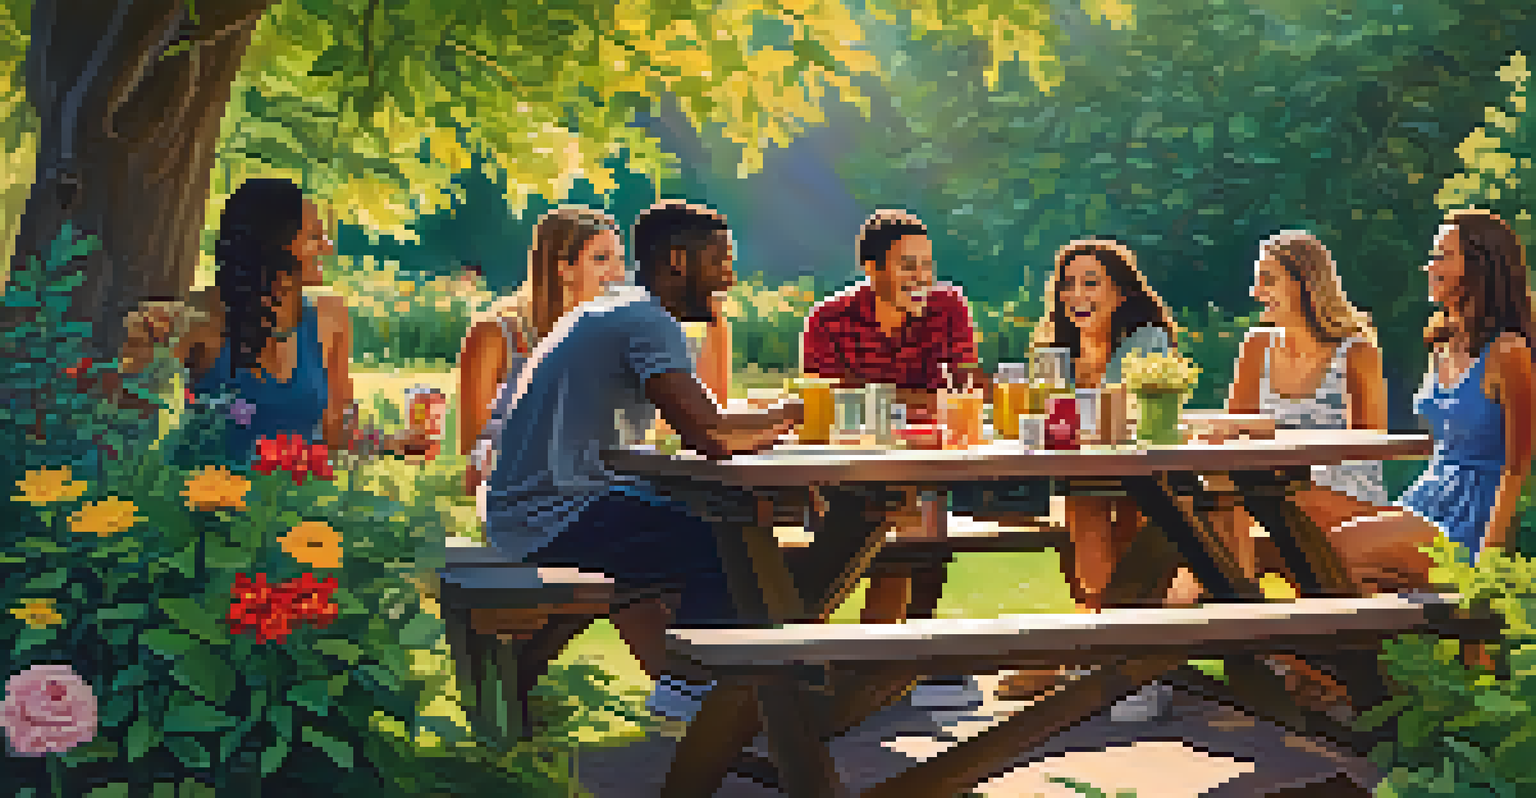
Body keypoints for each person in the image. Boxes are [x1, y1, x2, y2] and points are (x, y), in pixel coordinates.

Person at [481, 200, 804, 724]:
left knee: (721, 523)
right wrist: (792, 414)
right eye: (720, 261)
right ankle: (692, 687)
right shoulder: (646, 321)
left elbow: (706, 422)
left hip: (536, 505)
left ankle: (725, 683)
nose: (730, 275)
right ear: (677, 261)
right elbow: (711, 436)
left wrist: (767, 426)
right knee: (725, 535)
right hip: (552, 513)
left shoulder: (620, 310)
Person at [800, 209, 992, 714]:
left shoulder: (948, 306)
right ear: (871, 267)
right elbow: (831, 405)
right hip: (845, 470)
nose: (922, 277)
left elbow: (962, 390)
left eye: (927, 264)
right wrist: (916, 398)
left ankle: (893, 660)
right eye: (908, 265)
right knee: (872, 520)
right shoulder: (829, 321)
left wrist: (878, 396)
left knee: (925, 516)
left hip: (923, 463)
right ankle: (819, 658)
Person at [118, 178, 428, 464]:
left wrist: (391, 441)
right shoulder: (201, 319)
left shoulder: (329, 317)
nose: (327, 247)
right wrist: (139, 350)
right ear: (273, 245)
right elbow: (128, 427)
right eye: (314, 236)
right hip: (208, 504)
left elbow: (337, 431)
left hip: (289, 508)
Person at [1330, 209, 1534, 587]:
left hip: (1468, 524)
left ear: (1479, 268)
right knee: (1306, 533)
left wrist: (1486, 567)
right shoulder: (1442, 344)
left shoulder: (1508, 353)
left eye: (1443, 255)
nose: (1429, 266)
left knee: (1337, 547)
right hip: (1424, 500)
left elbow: (1515, 469)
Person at [1212, 231, 1388, 589]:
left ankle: (1236, 618)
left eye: (1268, 280)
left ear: (1304, 283)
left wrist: (1267, 436)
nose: (1256, 293)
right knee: (1206, 503)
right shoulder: (1256, 346)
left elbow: (1369, 447)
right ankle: (1238, 615)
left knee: (1226, 505)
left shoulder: (1355, 351)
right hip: (1270, 489)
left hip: (1347, 495)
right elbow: (1234, 436)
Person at [1031, 238, 1178, 612]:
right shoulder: (1056, 352)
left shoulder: (1145, 341)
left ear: (1122, 294)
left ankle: (1110, 627)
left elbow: (1130, 418)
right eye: (1068, 284)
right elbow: (1043, 421)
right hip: (1082, 477)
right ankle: (1108, 627)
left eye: (1091, 282)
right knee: (1084, 498)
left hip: (1144, 475)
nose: (1075, 294)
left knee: (1130, 507)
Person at [459, 207, 626, 495]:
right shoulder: (496, 334)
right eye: (601, 259)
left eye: (620, 260)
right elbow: (474, 453)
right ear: (564, 269)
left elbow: (668, 425)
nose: (618, 273)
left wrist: (714, 323)